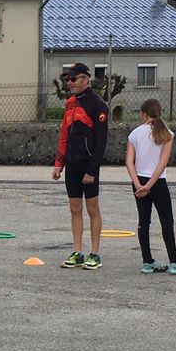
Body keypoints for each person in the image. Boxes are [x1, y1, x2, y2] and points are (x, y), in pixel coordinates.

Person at [124, 99, 176, 275]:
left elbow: (129, 161)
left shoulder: (135, 134)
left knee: (143, 221)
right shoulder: (167, 134)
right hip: (157, 182)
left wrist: (138, 185)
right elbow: (162, 164)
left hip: (139, 181)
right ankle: (174, 261)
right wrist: (149, 185)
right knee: (166, 221)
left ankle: (147, 261)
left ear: (143, 114)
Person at [52, 62, 109, 270]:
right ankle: (77, 251)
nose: (69, 82)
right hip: (72, 164)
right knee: (75, 208)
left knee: (92, 208)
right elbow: (64, 135)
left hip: (88, 164)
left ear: (86, 79)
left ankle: (95, 253)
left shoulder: (98, 105)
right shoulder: (69, 104)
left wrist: (92, 170)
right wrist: (59, 163)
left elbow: (102, 141)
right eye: (67, 79)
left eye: (73, 79)